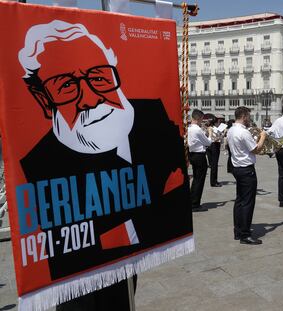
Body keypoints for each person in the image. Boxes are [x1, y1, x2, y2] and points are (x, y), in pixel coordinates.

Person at [18, 20, 189, 310]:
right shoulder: (38, 165)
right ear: (44, 100)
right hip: (80, 279)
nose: (91, 97)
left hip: (131, 266)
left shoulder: (152, 115)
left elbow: (175, 183)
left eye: (99, 77)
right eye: (66, 86)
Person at [227, 107, 266, 245]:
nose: (249, 119)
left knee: (240, 201)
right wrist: (262, 137)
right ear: (243, 116)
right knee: (248, 203)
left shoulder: (231, 130)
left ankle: (238, 231)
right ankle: (245, 234)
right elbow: (256, 149)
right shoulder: (243, 132)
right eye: (248, 116)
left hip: (237, 168)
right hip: (246, 169)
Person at [188, 109, 212, 211]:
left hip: (192, 154)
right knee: (199, 180)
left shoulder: (189, 128)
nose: (202, 121)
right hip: (199, 156)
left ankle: (192, 200)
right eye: (202, 119)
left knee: (196, 179)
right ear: (199, 118)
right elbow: (208, 143)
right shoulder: (197, 129)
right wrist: (210, 133)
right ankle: (195, 203)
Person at [206, 116, 222, 187]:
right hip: (214, 145)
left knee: (213, 164)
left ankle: (214, 181)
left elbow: (207, 136)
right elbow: (214, 138)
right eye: (218, 122)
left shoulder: (209, 128)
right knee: (214, 164)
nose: (219, 123)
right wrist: (221, 136)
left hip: (209, 146)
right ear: (215, 122)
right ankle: (214, 181)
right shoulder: (213, 128)